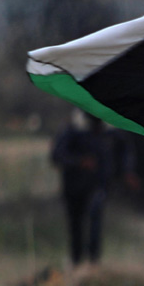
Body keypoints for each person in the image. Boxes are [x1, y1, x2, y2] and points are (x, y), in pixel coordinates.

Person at [50, 111, 135, 267]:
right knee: (76, 224)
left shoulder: (110, 128)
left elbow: (125, 149)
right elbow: (57, 155)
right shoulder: (73, 127)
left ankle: (93, 263)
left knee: (95, 216)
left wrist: (127, 171)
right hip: (74, 187)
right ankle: (76, 262)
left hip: (99, 185)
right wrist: (79, 162)